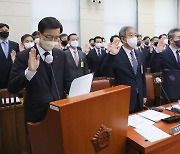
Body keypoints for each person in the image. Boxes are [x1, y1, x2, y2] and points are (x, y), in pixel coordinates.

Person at [8, 17, 72, 122]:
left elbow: (67, 82)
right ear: (39, 34)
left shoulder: (61, 55)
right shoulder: (24, 56)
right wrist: (29, 72)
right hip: (37, 115)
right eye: (48, 37)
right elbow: (12, 88)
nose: (52, 41)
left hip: (60, 110)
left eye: (56, 38)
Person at [101, 26, 147, 113]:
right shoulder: (117, 53)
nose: (134, 38)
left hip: (139, 97)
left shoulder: (139, 54)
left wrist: (144, 94)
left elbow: (142, 75)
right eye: (131, 35)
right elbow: (105, 72)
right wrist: (111, 55)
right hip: (124, 97)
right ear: (123, 39)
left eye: (135, 35)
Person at [150, 28, 180, 103]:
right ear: (171, 40)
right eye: (179, 37)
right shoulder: (163, 53)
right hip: (171, 90)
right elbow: (154, 68)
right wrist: (157, 52)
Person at [0, 23, 19, 89]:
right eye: (2, 31)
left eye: (6, 31)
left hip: (11, 75)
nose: (5, 32)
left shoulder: (15, 45)